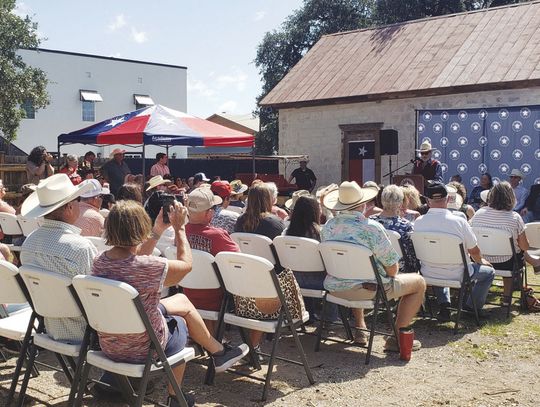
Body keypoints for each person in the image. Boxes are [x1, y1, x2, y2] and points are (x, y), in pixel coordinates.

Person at [92, 200, 248, 407]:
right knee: (179, 323)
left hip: (110, 342)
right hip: (143, 347)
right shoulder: (148, 267)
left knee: (182, 300)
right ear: (140, 228)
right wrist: (180, 229)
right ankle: (176, 397)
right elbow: (186, 266)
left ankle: (219, 351)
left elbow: (132, 261)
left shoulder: (99, 262)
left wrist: (157, 231)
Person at [321, 181, 426, 351]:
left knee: (358, 274)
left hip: (334, 288)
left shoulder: (328, 228)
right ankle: (397, 337)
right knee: (419, 283)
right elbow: (392, 269)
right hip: (368, 290)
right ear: (363, 204)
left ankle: (360, 328)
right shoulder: (372, 229)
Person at [20, 174, 98, 342]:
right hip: (86, 331)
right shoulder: (80, 248)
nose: (80, 204)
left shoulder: (28, 243)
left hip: (48, 325)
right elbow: (96, 295)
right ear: (69, 207)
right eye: (77, 201)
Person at [414, 181, 495, 321]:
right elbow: (474, 250)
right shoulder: (459, 222)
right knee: (489, 273)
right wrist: (481, 261)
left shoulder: (419, 222)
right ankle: (471, 307)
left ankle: (444, 305)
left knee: (437, 261)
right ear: (447, 199)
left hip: (428, 272)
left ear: (427, 201)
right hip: (459, 274)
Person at [470, 182, 540, 305]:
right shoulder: (514, 217)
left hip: (481, 260)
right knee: (514, 254)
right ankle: (507, 298)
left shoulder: (478, 214)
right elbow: (524, 246)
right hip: (506, 263)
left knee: (511, 253)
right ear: (511, 197)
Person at [185, 186, 239, 334]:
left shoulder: (180, 233)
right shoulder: (218, 235)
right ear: (209, 212)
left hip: (187, 293)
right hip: (218, 298)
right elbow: (237, 261)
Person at [370, 185, 420, 274]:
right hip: (399, 270)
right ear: (400, 204)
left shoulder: (371, 222)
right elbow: (412, 255)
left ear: (382, 201)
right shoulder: (405, 225)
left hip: (375, 268)